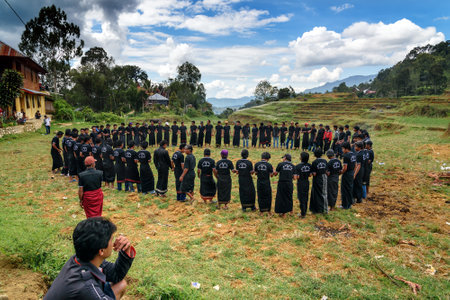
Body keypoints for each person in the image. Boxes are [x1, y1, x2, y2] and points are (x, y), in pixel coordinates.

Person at [44, 217, 135, 300]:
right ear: (101, 251)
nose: (114, 243)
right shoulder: (86, 286)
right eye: (111, 239)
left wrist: (126, 250)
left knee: (120, 285)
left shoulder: (82, 258)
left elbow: (116, 274)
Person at [310, 149, 328, 214]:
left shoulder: (314, 162)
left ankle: (320, 209)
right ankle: (323, 209)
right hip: (323, 177)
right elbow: (327, 171)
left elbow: (314, 173)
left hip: (317, 178)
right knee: (323, 193)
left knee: (316, 193)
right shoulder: (325, 161)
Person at [294, 152, 312, 218]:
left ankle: (303, 213)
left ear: (301, 158)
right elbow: (310, 175)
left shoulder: (298, 166)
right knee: (306, 196)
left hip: (300, 182)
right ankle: (305, 211)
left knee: (301, 198)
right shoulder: (309, 165)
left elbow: (297, 177)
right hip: (306, 182)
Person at [340, 142, 356, 209]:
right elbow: (355, 165)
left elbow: (345, 168)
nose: (342, 150)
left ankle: (345, 205)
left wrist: (341, 172)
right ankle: (349, 204)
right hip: (351, 172)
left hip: (346, 174)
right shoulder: (353, 154)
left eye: (343, 149)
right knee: (350, 188)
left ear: (346, 149)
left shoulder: (346, 156)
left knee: (344, 189)